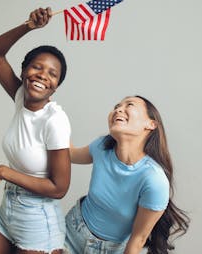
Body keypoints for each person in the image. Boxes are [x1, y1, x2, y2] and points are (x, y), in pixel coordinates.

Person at [0, 7, 71, 254]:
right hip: (8, 212)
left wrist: (2, 172)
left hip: (38, 222)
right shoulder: (21, 96)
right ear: (23, 71)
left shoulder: (55, 120)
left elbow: (59, 188)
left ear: (55, 87)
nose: (42, 76)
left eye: (53, 74)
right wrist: (28, 26)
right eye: (37, 67)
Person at [64, 95, 190, 254]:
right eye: (116, 106)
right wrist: (54, 117)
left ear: (151, 124)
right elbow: (70, 154)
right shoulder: (102, 146)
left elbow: (137, 240)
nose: (118, 109)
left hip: (112, 250)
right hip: (71, 232)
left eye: (129, 105)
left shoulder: (154, 180)